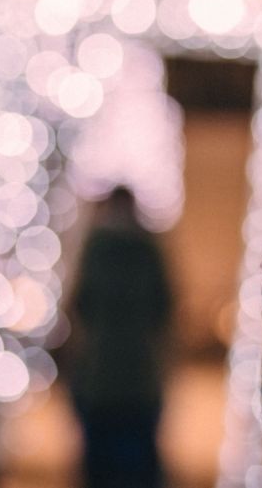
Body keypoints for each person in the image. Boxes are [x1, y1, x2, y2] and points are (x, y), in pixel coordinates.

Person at [63, 186, 173, 488]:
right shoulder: (148, 248)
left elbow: (79, 303)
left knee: (101, 463)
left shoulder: (95, 248)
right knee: (138, 464)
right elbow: (164, 306)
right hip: (140, 375)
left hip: (101, 374)